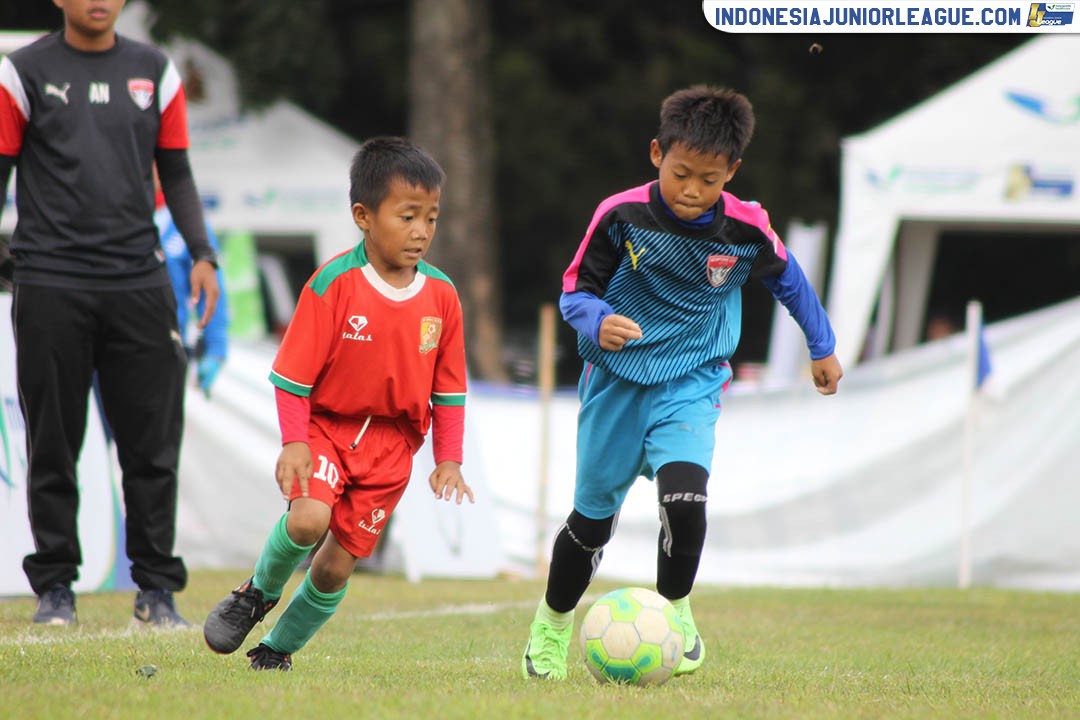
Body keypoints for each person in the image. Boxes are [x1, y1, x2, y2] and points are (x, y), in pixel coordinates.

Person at [521, 85, 843, 680]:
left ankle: (674, 611)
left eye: (710, 179)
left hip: (691, 383)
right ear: (655, 155)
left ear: (733, 172)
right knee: (590, 523)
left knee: (686, 504)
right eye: (681, 173)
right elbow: (575, 290)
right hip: (615, 381)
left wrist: (821, 346)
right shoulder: (620, 215)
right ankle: (551, 626)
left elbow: (790, 281)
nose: (693, 191)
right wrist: (598, 320)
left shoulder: (745, 227)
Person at [202, 136, 472, 672]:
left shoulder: (442, 296)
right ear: (363, 216)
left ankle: (276, 650)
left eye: (432, 218)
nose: (422, 231)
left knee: (334, 570)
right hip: (326, 429)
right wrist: (295, 441)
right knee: (307, 521)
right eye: (408, 215)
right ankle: (255, 593)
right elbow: (291, 378)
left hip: (392, 448)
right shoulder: (333, 284)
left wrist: (448, 458)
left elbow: (449, 390)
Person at [0, 0, 220, 627]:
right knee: (53, 443)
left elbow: (175, 171)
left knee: (153, 446)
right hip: (50, 281)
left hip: (139, 282)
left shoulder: (156, 70)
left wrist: (202, 252)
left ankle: (155, 591)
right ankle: (55, 591)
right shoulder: (22, 72)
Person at [155, 180, 230, 397]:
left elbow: (211, 287)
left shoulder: (185, 222)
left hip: (167, 346)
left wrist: (216, 349)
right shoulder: (117, 215)